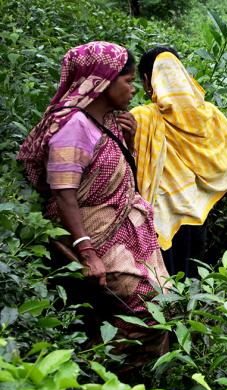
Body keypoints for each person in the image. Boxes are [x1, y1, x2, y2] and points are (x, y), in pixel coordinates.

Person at [17, 41, 170, 370]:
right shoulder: (73, 128)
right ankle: (99, 371)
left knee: (165, 299)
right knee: (146, 306)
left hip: (122, 228)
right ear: (102, 82)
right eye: (128, 81)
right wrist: (86, 251)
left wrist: (128, 140)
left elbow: (121, 172)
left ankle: (137, 376)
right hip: (94, 234)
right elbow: (63, 192)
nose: (134, 89)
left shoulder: (111, 121)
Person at [132, 46, 227, 278]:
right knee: (191, 275)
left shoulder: (142, 117)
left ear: (146, 80)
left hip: (161, 214)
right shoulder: (208, 113)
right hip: (195, 206)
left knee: (165, 279)